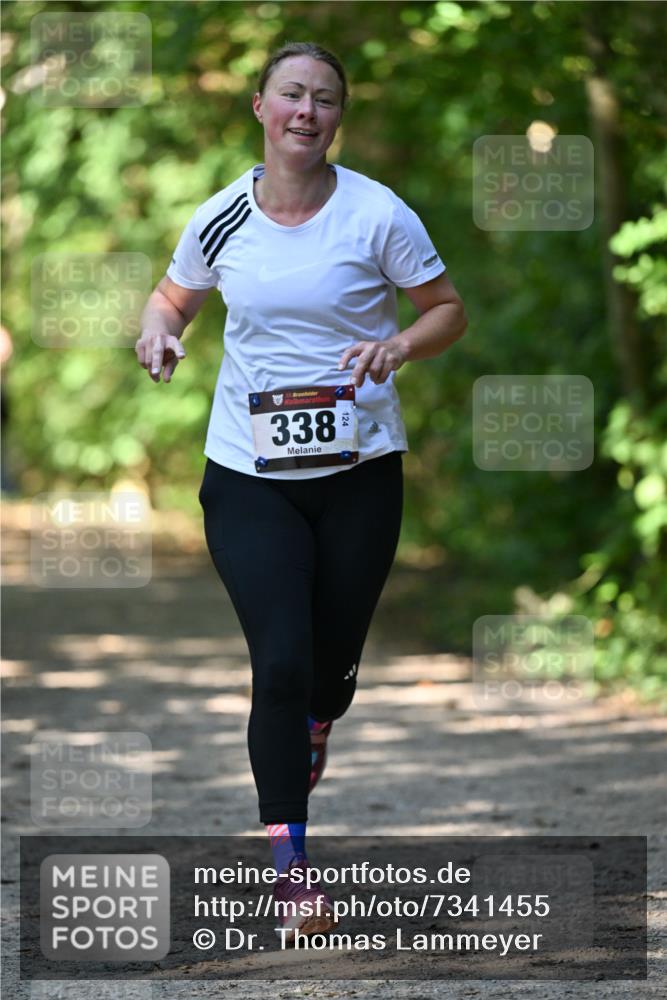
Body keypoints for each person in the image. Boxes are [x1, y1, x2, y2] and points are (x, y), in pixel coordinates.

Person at [136, 41, 467, 942]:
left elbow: (446, 309)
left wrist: (399, 346)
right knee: (278, 662)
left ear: (336, 118)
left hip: (360, 474)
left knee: (329, 670)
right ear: (260, 107)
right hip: (248, 478)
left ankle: (320, 716)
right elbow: (172, 297)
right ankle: (291, 870)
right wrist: (157, 334)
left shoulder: (376, 213)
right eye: (291, 94)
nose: (306, 112)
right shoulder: (220, 217)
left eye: (323, 99)